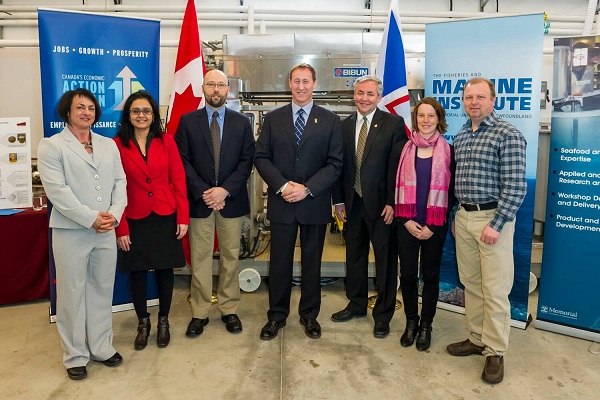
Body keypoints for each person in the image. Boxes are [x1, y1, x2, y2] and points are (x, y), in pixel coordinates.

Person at [37, 88, 127, 380]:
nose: (86, 112)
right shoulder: (52, 146)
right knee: (72, 293)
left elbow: (120, 182)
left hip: (106, 229)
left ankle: (101, 347)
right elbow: (57, 191)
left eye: (90, 108)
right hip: (71, 231)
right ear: (67, 112)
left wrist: (114, 214)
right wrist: (91, 218)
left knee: (101, 289)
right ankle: (75, 355)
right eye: (80, 107)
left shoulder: (108, 145)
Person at [446, 78, 527, 384]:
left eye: (481, 97)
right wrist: (456, 215)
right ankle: (477, 338)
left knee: (495, 289)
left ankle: (495, 351)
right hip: (464, 217)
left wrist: (497, 223)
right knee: (472, 283)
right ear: (463, 101)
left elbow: (515, 186)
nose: (474, 102)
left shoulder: (508, 134)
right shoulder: (462, 134)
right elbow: (459, 180)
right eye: (469, 97)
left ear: (493, 100)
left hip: (493, 219)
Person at [254, 63, 343, 340]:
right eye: (296, 81)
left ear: (314, 84)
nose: (301, 86)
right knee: (279, 263)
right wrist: (282, 186)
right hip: (282, 202)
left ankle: (309, 315)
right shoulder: (273, 119)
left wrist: (307, 189)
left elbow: (335, 163)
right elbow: (261, 157)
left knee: (312, 263)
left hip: (313, 203)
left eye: (306, 81)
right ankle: (276, 316)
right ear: (289, 84)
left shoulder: (330, 120)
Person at [176, 70, 255, 337]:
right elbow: (182, 160)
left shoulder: (241, 122)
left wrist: (224, 191)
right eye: (211, 84)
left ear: (228, 89)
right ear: (203, 88)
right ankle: (199, 312)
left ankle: (229, 308)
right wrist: (205, 192)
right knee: (199, 258)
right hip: (200, 202)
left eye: (221, 85)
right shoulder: (188, 121)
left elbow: (247, 161)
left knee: (231, 256)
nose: (216, 89)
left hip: (231, 201)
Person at [330, 75, 405, 338]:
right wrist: (338, 200)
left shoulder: (394, 123)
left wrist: (393, 202)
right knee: (354, 256)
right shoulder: (343, 125)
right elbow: (338, 167)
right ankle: (356, 303)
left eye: (370, 94)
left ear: (379, 97)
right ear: (354, 95)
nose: (364, 98)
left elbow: (399, 167)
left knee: (385, 261)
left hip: (383, 207)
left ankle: (383, 314)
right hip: (352, 204)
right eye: (360, 93)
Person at [114, 91, 189, 350]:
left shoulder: (166, 141)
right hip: (134, 217)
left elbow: (178, 180)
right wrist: (121, 228)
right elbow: (116, 189)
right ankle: (143, 322)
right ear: (128, 115)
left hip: (165, 215)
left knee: (164, 270)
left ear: (154, 115)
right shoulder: (117, 145)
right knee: (136, 272)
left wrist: (183, 216)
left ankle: (164, 321)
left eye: (146, 111)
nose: (141, 115)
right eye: (136, 111)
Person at [388, 97, 455, 351]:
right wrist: (404, 220)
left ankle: (426, 325)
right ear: (415, 119)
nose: (425, 120)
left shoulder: (449, 151)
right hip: (406, 223)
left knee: (431, 275)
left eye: (431, 116)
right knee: (407, 275)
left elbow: (452, 193)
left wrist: (434, 226)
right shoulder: (401, 149)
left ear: (439, 119)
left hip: (433, 226)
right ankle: (411, 322)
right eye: (421, 115)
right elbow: (391, 186)